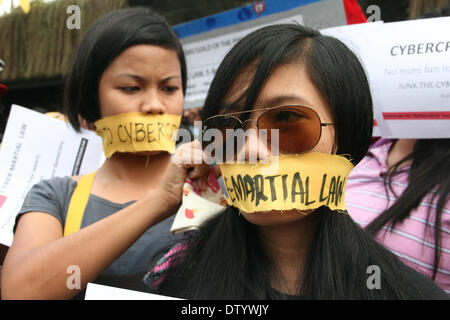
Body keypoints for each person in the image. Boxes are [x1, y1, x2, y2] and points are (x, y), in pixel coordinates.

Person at [143, 24, 448, 299]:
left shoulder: (406, 293)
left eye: (286, 119)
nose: (249, 149)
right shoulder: (174, 275)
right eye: (228, 126)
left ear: (346, 136)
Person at [0, 7, 206, 300]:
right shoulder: (56, 197)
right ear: (91, 98)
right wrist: (158, 202)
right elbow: (20, 292)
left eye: (169, 88)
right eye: (131, 87)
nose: (154, 105)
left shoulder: (211, 185)